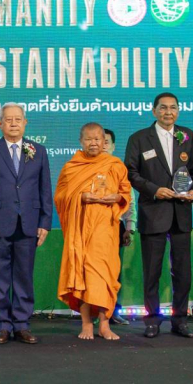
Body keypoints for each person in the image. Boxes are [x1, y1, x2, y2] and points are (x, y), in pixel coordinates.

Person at [0, 103, 52, 344]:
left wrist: (45, 222)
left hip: (29, 223)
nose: (14, 123)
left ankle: (22, 325)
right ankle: (3, 325)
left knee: (24, 276)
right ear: (0, 124)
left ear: (25, 122)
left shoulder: (38, 151)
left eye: (18, 119)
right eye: (8, 120)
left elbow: (45, 189)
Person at [123, 92, 193, 339]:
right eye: (163, 108)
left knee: (183, 272)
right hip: (153, 211)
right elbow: (131, 173)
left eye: (173, 108)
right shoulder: (139, 138)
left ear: (178, 110)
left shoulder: (188, 135)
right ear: (154, 110)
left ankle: (180, 320)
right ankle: (152, 320)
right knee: (152, 271)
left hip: (181, 213)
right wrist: (155, 190)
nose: (169, 112)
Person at [55, 123, 132, 341]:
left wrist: (117, 198)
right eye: (89, 139)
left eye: (98, 139)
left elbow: (125, 192)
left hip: (106, 229)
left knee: (105, 274)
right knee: (84, 274)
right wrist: (80, 197)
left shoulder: (115, 165)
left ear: (104, 141)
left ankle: (104, 324)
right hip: (81, 230)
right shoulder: (72, 166)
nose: (94, 143)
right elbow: (60, 196)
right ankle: (87, 323)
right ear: (81, 141)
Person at [103, 128, 135, 326]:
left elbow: (129, 199)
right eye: (98, 140)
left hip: (116, 226)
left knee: (114, 272)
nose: (102, 145)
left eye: (106, 141)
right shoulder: (84, 167)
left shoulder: (119, 168)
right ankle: (93, 312)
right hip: (91, 228)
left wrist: (130, 226)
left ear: (113, 146)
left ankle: (113, 311)